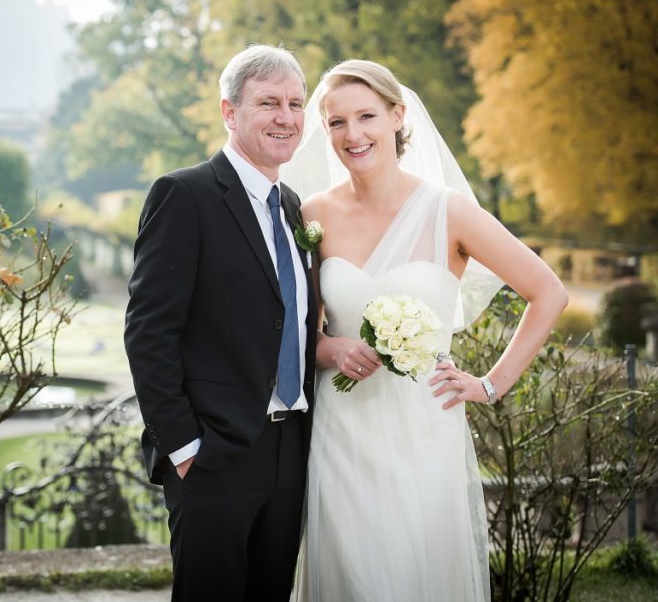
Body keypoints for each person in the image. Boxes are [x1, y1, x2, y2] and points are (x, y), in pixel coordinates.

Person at [282, 59, 568, 601]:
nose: (353, 134)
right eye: (336, 122)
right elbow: (299, 330)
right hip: (343, 430)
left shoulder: (448, 211)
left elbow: (548, 292)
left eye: (366, 115)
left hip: (422, 426)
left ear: (397, 115)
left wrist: (490, 384)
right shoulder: (312, 215)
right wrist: (328, 349)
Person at [124, 44, 318, 601]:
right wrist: (184, 446)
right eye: (268, 103)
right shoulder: (184, 195)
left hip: (291, 449)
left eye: (295, 103)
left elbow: (289, 321)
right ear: (230, 112)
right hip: (213, 453)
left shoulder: (293, 208)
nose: (285, 117)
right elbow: (148, 333)